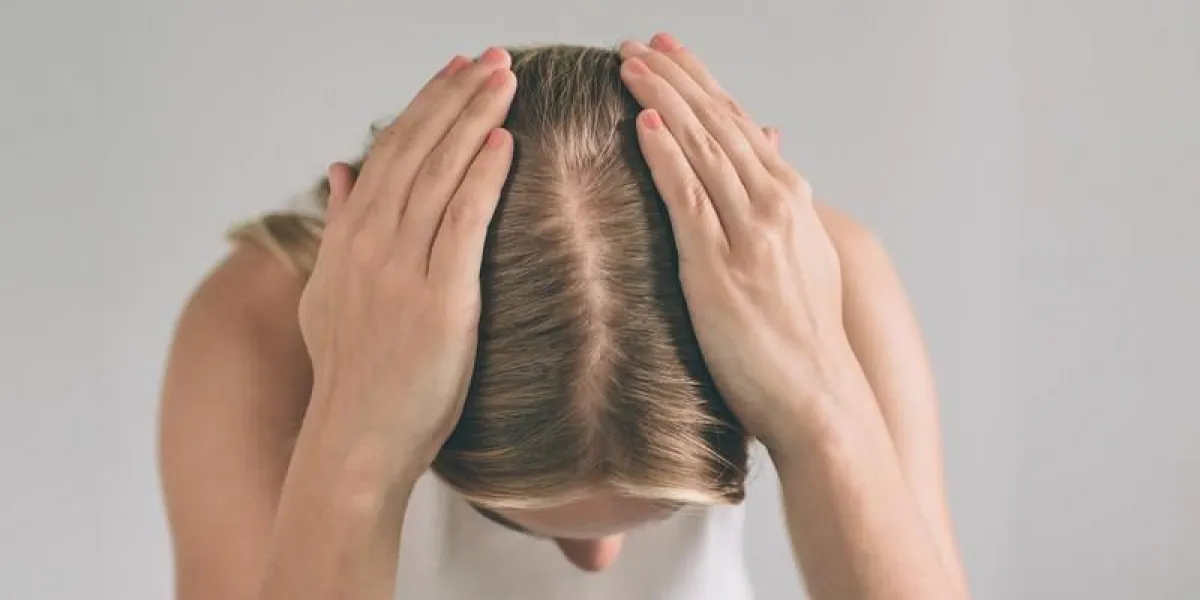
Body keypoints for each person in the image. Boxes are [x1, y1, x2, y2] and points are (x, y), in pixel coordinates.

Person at [158, 34, 970, 600]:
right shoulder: (256, 328)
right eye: (506, 520)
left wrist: (822, 411)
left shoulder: (821, 284)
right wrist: (357, 441)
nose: (600, 563)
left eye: (669, 515)